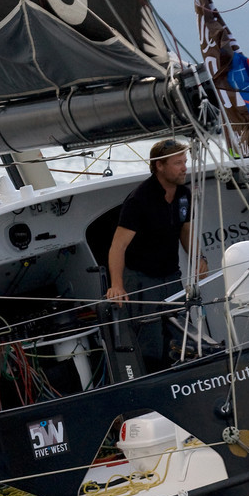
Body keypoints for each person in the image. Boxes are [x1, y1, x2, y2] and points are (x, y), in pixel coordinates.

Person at [106, 138, 208, 372]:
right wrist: (117, 285)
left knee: (181, 332)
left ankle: (187, 375)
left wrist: (199, 258)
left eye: (185, 161)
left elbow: (186, 231)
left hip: (171, 275)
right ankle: (151, 378)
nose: (184, 168)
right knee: (149, 340)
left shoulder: (183, 194)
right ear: (159, 166)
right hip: (142, 279)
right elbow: (117, 247)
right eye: (177, 163)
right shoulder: (139, 200)